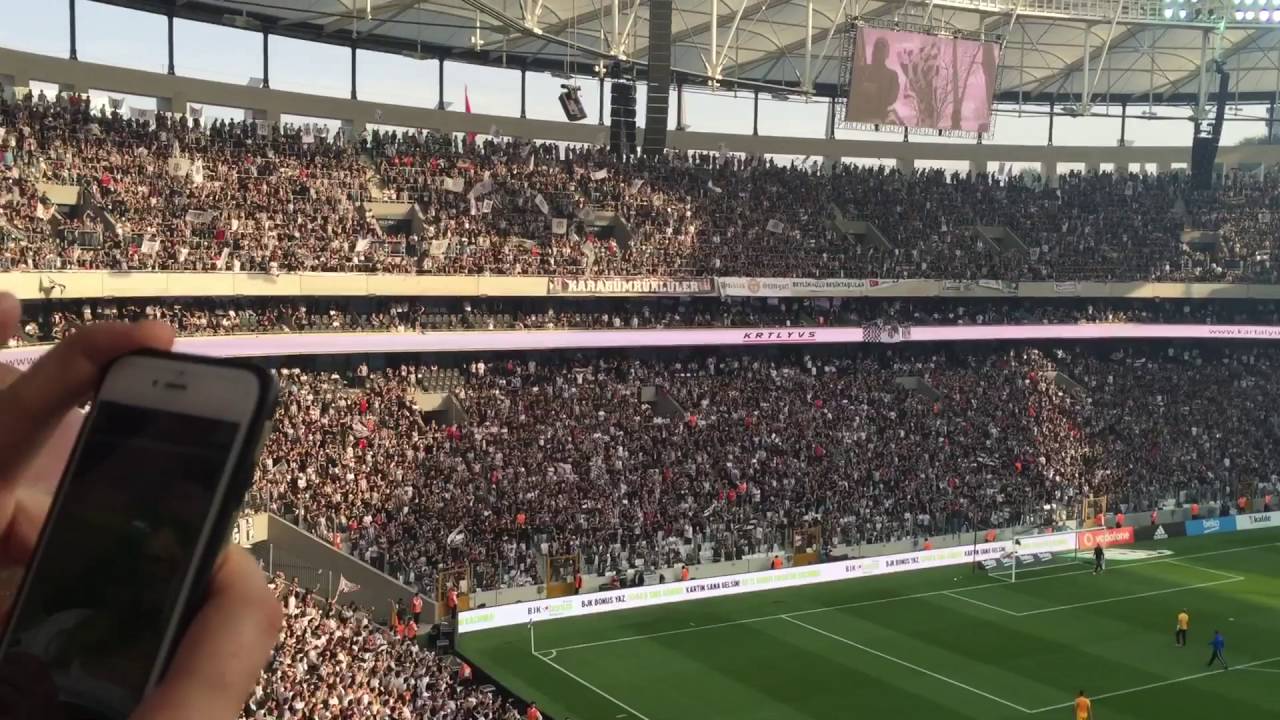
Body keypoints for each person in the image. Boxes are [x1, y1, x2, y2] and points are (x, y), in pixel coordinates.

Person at [0, 293, 281, 720]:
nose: (157, 547)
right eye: (150, 523)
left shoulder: (175, 667)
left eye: (184, 533)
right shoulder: (56, 633)